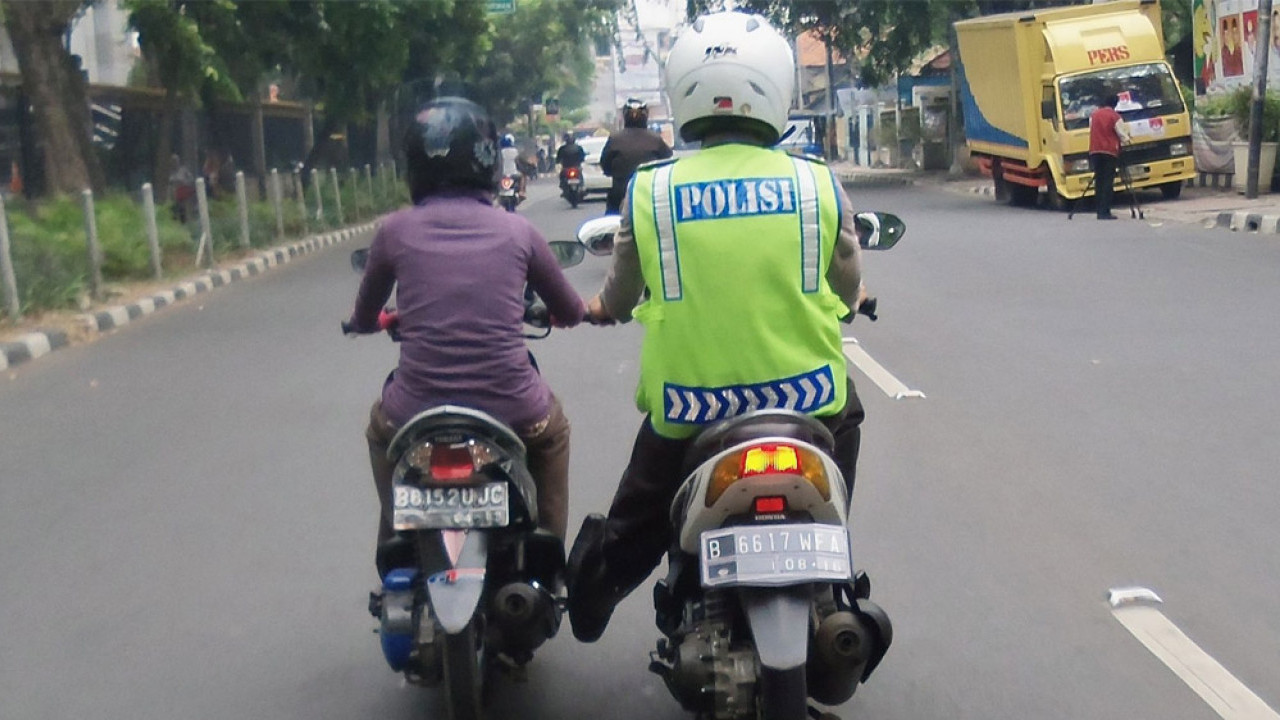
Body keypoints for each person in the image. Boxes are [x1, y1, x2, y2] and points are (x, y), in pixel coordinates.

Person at [565, 11, 872, 643]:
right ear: (776, 87)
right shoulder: (815, 182)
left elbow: (621, 295)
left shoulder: (652, 191)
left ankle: (595, 596)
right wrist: (858, 295)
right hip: (810, 401)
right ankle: (828, 541)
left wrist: (599, 309)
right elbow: (845, 281)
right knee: (851, 421)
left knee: (634, 524)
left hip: (689, 410)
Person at [345, 97, 586, 578]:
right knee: (553, 435)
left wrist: (379, 322)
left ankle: (396, 534)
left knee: (378, 432)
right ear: (488, 162)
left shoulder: (393, 232)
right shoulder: (520, 230)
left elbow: (365, 314)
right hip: (514, 408)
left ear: (413, 166)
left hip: (413, 412)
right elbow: (572, 310)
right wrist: (559, 315)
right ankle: (546, 561)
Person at [600, 98, 672, 215]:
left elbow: (605, 163)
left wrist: (613, 172)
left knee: (611, 218)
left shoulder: (615, 139)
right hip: (649, 191)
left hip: (626, 189)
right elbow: (668, 161)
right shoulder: (655, 139)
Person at [1089, 93, 1130, 221]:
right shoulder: (1115, 116)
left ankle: (1099, 209)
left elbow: (1092, 129)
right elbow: (1122, 134)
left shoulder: (1093, 115)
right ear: (1115, 104)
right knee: (1107, 182)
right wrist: (1127, 140)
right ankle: (1105, 211)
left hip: (1095, 151)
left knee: (1099, 181)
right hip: (1110, 152)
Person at [499, 133, 526, 198]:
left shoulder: (500, 152)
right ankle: (521, 191)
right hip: (513, 173)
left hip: (502, 174)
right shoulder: (514, 151)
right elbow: (518, 161)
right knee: (522, 176)